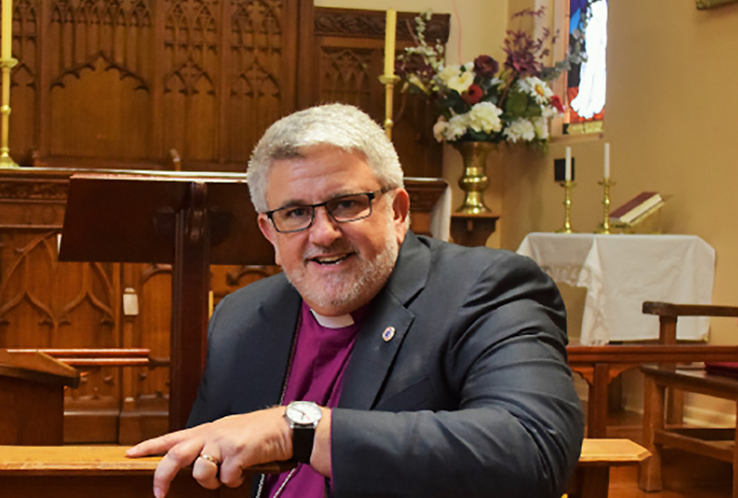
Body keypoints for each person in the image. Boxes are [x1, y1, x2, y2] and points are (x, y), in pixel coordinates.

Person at [126, 103, 584, 498]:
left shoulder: (486, 289)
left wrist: (299, 431)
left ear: (399, 211)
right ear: (269, 230)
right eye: (295, 213)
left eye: (346, 204)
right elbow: (204, 463)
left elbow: (535, 448)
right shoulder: (240, 317)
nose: (323, 234)